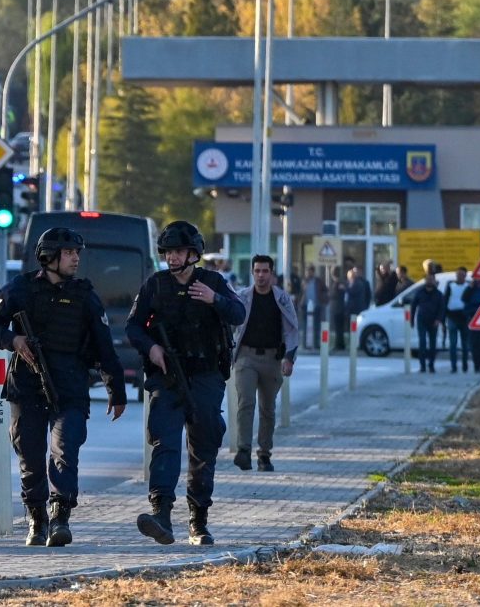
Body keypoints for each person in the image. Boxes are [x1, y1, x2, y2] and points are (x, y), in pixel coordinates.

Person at [0, 227, 127, 547]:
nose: (76, 258)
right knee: (30, 456)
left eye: (77, 253)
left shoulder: (84, 295)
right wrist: (13, 340)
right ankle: (37, 519)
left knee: (65, 450)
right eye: (69, 253)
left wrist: (116, 389)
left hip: (71, 386)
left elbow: (104, 346)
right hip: (27, 385)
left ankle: (60, 515)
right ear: (50, 257)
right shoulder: (19, 289)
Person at [125, 221, 245, 547]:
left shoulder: (213, 282)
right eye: (167, 252)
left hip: (206, 377)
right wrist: (151, 347)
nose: (172, 258)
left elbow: (238, 313)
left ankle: (198, 520)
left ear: (193, 254)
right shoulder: (155, 285)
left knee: (203, 445)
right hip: (167, 377)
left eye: (178, 251)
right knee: (164, 441)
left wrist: (214, 300)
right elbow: (133, 327)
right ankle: (160, 514)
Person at [232, 255, 299, 473]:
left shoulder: (281, 299)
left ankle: (264, 454)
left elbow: (292, 329)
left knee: (267, 409)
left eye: (265, 271)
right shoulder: (242, 297)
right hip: (246, 357)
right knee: (246, 402)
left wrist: (289, 358)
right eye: (257, 271)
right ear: (252, 273)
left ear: (272, 273)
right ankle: (243, 450)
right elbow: (229, 323)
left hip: (272, 358)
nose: (261, 275)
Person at [410, 272, 446, 373]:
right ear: (425, 280)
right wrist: (412, 320)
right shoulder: (419, 292)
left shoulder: (439, 294)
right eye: (427, 279)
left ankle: (431, 365)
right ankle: (422, 366)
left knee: (432, 344)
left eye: (431, 279)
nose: (429, 281)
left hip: (433, 321)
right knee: (422, 343)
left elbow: (442, 308)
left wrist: (439, 320)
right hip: (422, 320)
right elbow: (413, 306)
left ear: (434, 281)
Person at [442, 267, 471, 373]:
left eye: (462, 274)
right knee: (453, 344)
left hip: (464, 317)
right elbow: (445, 301)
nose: (459, 276)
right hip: (452, 316)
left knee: (465, 345)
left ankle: (465, 366)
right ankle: (453, 367)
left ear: (465, 275)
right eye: (458, 274)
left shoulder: (468, 286)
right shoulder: (450, 286)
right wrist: (443, 318)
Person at [299, 264, 328, 350]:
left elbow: (325, 290)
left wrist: (323, 298)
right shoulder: (303, 281)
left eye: (310, 271)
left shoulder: (318, 281)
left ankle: (316, 343)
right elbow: (300, 292)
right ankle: (305, 344)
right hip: (305, 305)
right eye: (307, 271)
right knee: (305, 325)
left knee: (317, 326)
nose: (308, 273)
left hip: (316, 305)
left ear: (313, 272)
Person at [330, 266, 349, 350]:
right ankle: (340, 344)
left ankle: (339, 345)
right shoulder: (339, 282)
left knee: (339, 328)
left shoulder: (339, 283)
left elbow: (336, 294)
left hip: (339, 308)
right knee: (339, 328)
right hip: (338, 307)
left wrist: (330, 295)